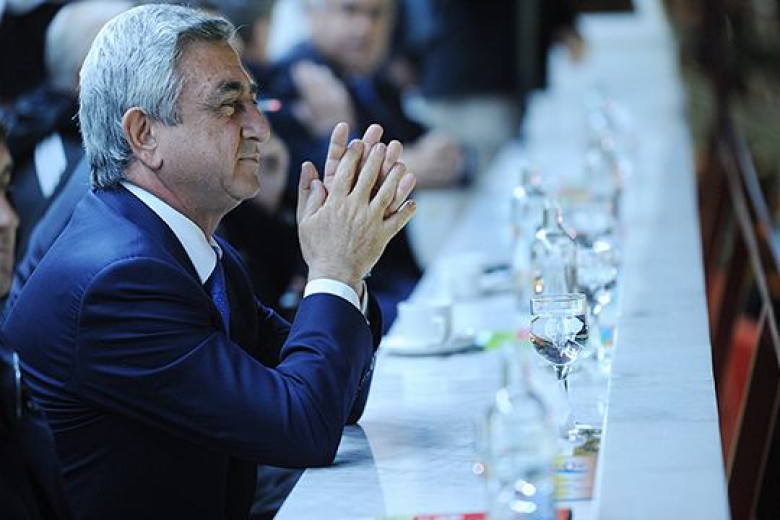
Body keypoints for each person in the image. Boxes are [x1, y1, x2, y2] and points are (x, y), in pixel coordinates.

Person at [3, 4, 416, 519]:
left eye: (253, 100)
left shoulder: (179, 243)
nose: (259, 127)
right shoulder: (120, 279)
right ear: (144, 134)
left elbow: (338, 398)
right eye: (228, 105)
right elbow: (303, 427)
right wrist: (335, 268)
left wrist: (348, 264)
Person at [262, 0, 466, 328]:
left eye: (376, 15)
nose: (365, 27)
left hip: (398, 279)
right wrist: (398, 165)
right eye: (350, 11)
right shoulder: (290, 82)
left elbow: (447, 154)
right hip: (346, 296)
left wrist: (421, 162)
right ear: (312, 13)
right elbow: (298, 187)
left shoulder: (372, 78)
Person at [2, 0, 133, 262]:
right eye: (132, 64)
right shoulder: (67, 162)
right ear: (86, 77)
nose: (150, 78)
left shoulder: (47, 135)